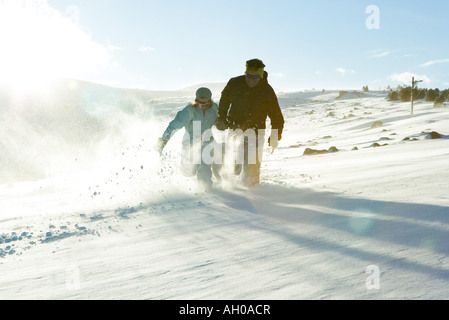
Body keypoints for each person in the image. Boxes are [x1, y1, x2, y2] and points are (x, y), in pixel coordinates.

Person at [216, 59, 284, 187]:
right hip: (235, 128)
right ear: (245, 73)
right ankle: (230, 188)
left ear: (260, 76)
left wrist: (276, 134)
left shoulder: (266, 91)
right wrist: (222, 118)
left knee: (251, 165)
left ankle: (252, 190)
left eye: (255, 77)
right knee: (234, 164)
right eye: (248, 76)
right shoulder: (235, 83)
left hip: (256, 132)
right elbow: (224, 100)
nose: (251, 80)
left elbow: (276, 116)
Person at [157, 87, 221, 190]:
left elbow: (221, 121)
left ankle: (206, 190)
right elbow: (173, 126)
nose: (203, 106)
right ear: (196, 101)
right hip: (190, 144)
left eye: (206, 104)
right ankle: (185, 180)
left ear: (210, 101)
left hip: (207, 144)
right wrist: (164, 140)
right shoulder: (189, 111)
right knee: (188, 172)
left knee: (204, 167)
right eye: (200, 103)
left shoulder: (214, 109)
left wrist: (221, 123)